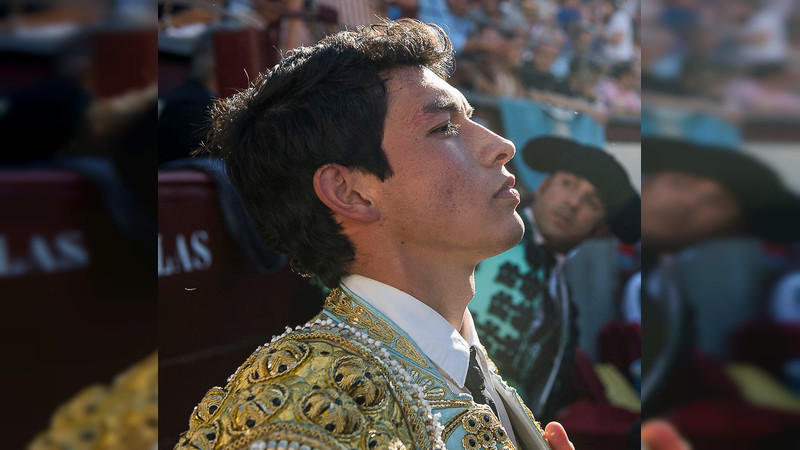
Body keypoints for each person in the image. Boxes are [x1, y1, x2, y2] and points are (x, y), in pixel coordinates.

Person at [173, 19, 575, 450]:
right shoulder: (300, 420)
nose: (501, 145)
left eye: (471, 120)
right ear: (351, 192)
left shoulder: (464, 360)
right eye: (443, 128)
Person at [471, 136, 640, 420]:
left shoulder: (561, 291)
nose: (573, 202)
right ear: (544, 185)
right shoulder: (480, 233)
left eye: (591, 201)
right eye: (568, 184)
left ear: (599, 231)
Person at [640, 137, 800, 418]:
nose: (688, 203)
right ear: (647, 184)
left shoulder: (673, 287)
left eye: (716, 202)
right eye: (679, 183)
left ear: (728, 229)